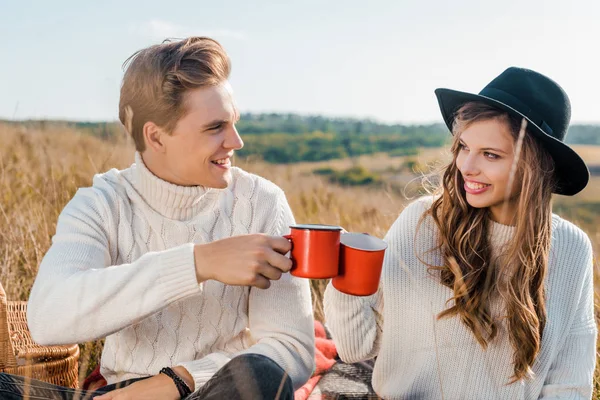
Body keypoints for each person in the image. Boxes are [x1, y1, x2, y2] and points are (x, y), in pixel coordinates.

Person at [0, 37, 315, 400]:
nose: (236, 141)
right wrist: (197, 263)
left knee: (262, 376)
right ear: (156, 136)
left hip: (213, 391)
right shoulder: (102, 203)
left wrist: (176, 380)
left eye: (234, 123)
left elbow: (290, 347)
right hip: (117, 396)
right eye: (216, 128)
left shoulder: (262, 202)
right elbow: (48, 318)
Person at [324, 67, 597, 399]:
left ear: (535, 165)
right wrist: (346, 278)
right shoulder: (422, 222)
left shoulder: (571, 248)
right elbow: (355, 348)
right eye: (464, 147)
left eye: (490, 155)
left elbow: (569, 382)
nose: (467, 166)